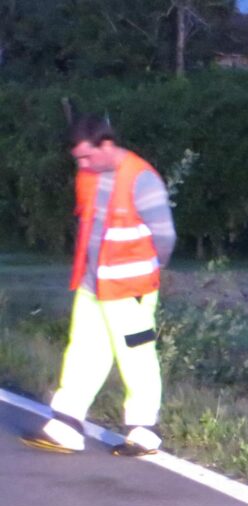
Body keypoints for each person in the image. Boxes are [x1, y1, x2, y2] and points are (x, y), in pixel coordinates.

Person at [22, 115, 175, 457]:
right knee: (83, 351)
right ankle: (67, 423)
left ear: (107, 145)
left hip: (131, 289)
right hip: (93, 284)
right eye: (78, 159)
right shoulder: (89, 176)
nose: (82, 164)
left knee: (136, 355)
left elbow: (165, 236)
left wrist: (149, 270)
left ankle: (143, 430)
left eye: (87, 156)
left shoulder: (142, 179)